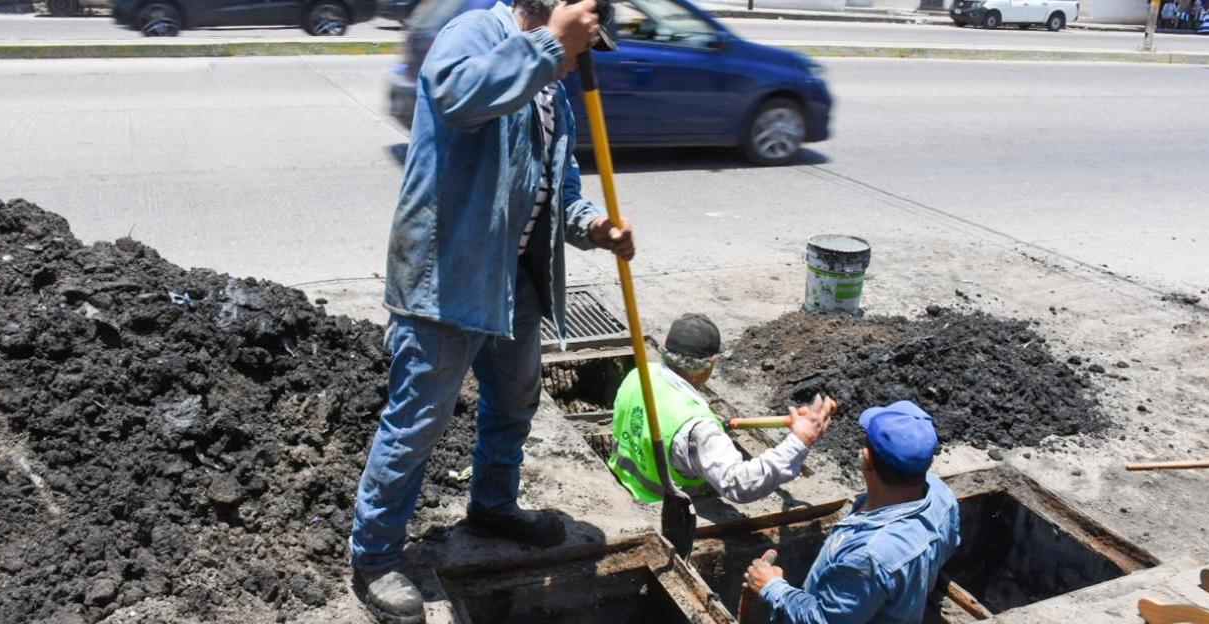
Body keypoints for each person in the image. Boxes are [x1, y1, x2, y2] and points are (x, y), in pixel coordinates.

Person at [347, 0, 630, 622]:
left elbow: (563, 183)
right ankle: (374, 557)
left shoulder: (551, 83)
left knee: (515, 401)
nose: (581, 54)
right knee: (418, 420)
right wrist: (553, 48)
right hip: (449, 279)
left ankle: (494, 508)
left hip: (514, 282)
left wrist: (594, 227)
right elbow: (455, 97)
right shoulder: (475, 34)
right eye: (583, 39)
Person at [744, 401, 961, 624]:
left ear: (866, 459)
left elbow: (823, 620)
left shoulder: (868, 556)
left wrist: (772, 586)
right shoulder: (943, 496)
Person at [608, 314, 839, 504]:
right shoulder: (697, 429)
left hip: (625, 483)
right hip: (663, 509)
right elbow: (740, 485)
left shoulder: (638, 374)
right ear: (712, 362)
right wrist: (800, 439)